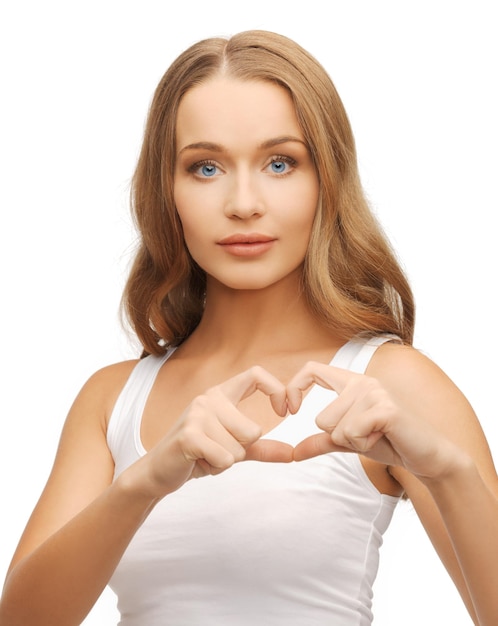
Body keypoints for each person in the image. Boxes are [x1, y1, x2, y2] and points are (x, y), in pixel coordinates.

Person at [0, 29, 497, 626]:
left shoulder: (390, 382)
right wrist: (147, 480)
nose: (243, 202)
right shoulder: (111, 399)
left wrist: (448, 472)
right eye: (205, 167)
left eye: (280, 163)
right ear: (169, 190)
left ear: (326, 182)